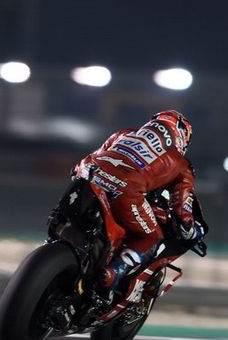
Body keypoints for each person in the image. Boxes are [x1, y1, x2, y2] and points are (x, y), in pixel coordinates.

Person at [73, 110, 202, 297]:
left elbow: (99, 153)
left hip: (87, 173)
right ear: (181, 135)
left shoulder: (124, 133)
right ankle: (113, 272)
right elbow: (182, 210)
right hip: (125, 190)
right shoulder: (181, 163)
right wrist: (189, 230)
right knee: (151, 237)